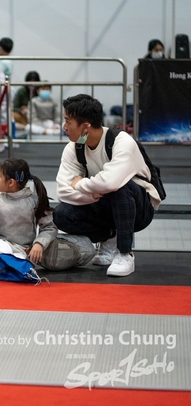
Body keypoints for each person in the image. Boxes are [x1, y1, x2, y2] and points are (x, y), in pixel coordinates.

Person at [53, 94, 160, 277]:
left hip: (140, 208)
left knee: (120, 188)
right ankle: (110, 237)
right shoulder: (75, 147)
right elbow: (62, 191)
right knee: (62, 214)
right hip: (105, 202)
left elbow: (112, 182)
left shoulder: (122, 141)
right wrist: (97, 192)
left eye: (68, 121)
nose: (64, 126)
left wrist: (81, 184)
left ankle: (125, 253)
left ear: (85, 126)